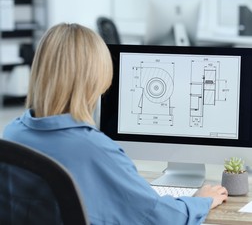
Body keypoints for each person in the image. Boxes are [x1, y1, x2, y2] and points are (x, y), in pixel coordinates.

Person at [3, 23, 228, 224]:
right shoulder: (95, 149)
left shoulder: (11, 134)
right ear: (94, 79)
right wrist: (201, 201)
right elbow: (158, 217)